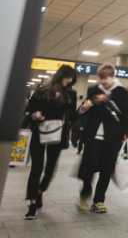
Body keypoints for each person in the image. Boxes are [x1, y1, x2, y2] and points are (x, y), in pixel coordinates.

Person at [23, 65, 78, 220]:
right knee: (37, 168)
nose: (70, 81)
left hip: (57, 134)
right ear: (60, 75)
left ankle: (40, 191)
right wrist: (35, 115)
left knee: (50, 170)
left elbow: (72, 116)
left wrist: (83, 110)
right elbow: (28, 111)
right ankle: (32, 204)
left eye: (72, 79)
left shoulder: (71, 94)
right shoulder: (41, 91)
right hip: (39, 133)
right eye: (68, 77)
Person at [76, 64, 128, 213]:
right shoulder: (94, 90)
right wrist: (85, 108)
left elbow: (126, 113)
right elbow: (80, 111)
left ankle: (99, 201)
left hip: (112, 138)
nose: (103, 81)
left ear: (113, 76)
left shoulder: (121, 92)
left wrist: (126, 130)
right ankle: (84, 194)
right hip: (93, 136)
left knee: (106, 170)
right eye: (100, 78)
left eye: (106, 78)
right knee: (90, 167)